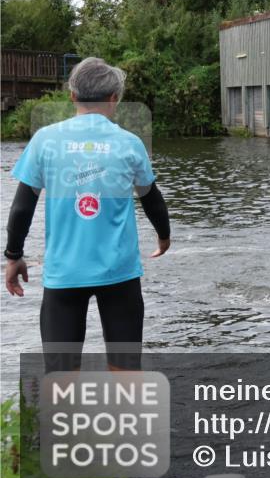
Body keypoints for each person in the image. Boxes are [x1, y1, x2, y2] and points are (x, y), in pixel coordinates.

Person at [4, 57, 171, 373]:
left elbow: (22, 207)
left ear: (72, 96)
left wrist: (13, 256)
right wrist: (164, 236)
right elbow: (152, 200)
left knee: (61, 377)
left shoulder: (45, 140)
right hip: (119, 275)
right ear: (113, 99)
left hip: (64, 275)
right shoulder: (130, 143)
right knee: (125, 374)